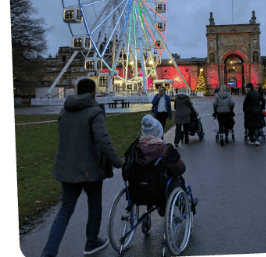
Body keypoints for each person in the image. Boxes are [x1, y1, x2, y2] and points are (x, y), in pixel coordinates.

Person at [40, 78, 125, 257]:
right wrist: (118, 162)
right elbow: (103, 141)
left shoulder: (65, 110)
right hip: (90, 168)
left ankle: (49, 251)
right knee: (94, 205)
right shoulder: (94, 111)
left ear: (77, 91)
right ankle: (91, 241)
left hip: (66, 168)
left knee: (65, 209)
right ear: (94, 92)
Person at [124, 115, 197, 212]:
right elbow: (181, 168)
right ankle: (183, 206)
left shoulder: (134, 149)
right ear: (159, 133)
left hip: (137, 192)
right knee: (176, 178)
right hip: (159, 193)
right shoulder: (164, 150)